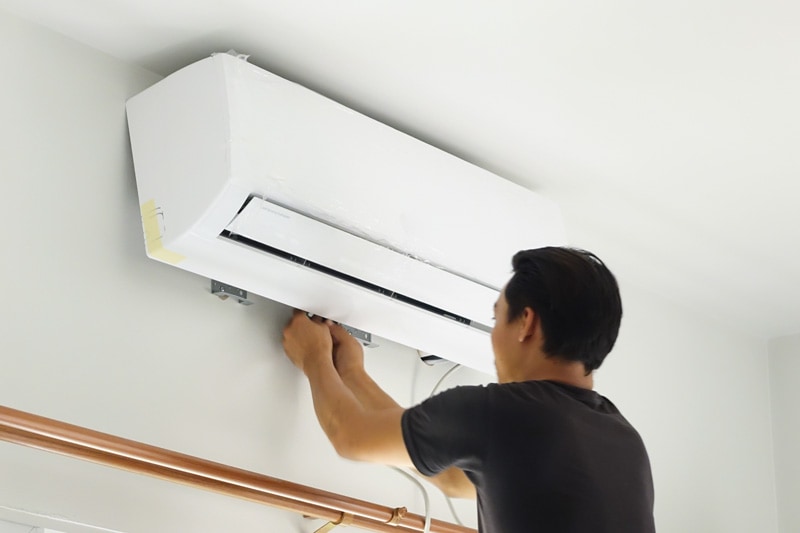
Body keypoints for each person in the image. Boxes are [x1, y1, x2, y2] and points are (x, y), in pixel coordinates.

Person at [282, 247, 655, 532]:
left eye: (496, 318)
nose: (493, 336)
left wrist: (313, 356)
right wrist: (351, 373)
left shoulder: (501, 412)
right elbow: (453, 479)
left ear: (526, 323)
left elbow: (351, 437)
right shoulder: (624, 441)